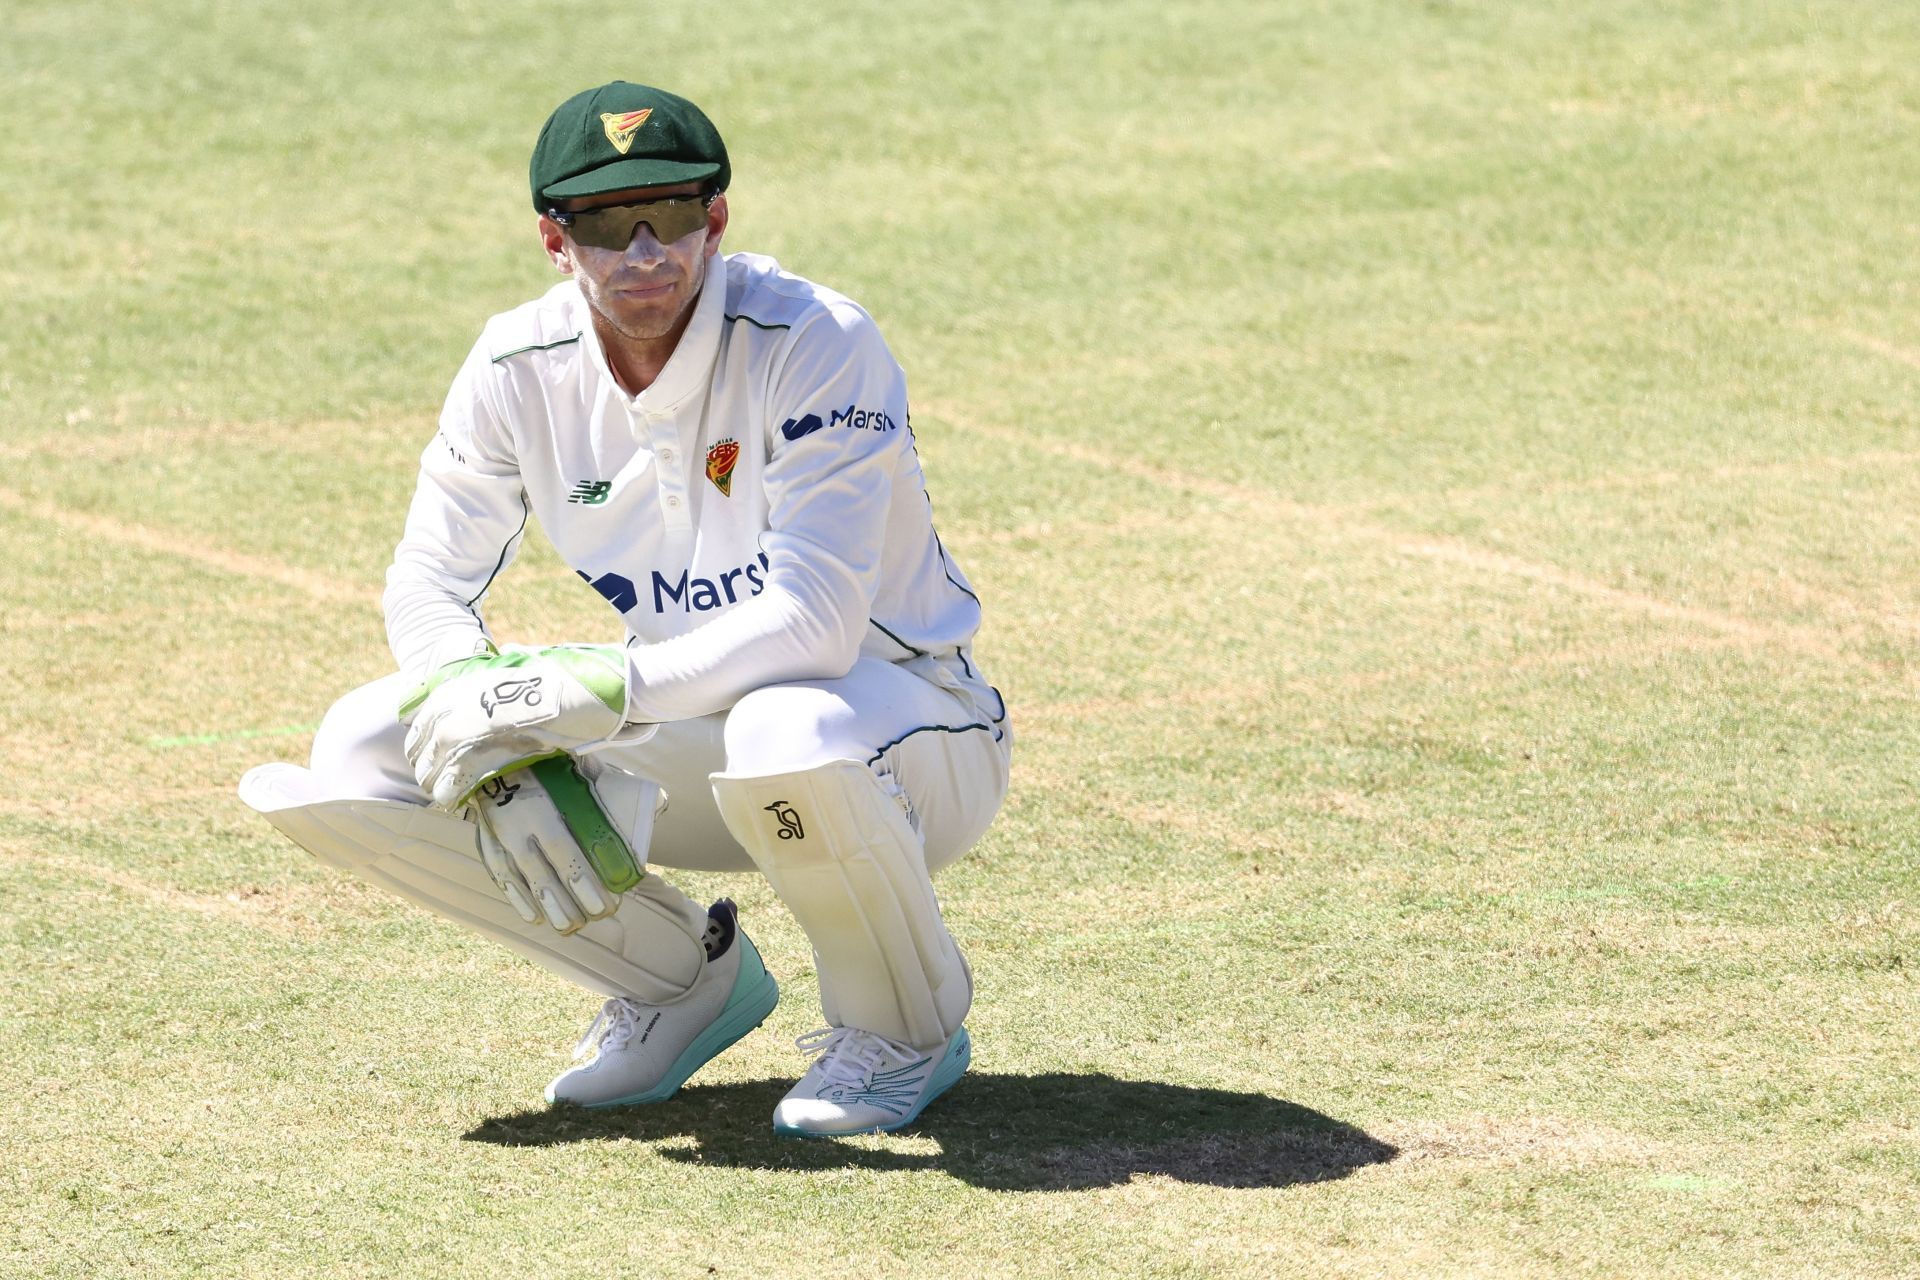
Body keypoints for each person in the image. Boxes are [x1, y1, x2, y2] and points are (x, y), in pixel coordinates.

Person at [238, 81, 1010, 1138]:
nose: (647, 251)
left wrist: (590, 688)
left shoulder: (818, 338)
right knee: (369, 744)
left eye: (676, 214)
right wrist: (493, 734)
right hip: (707, 738)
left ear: (719, 219)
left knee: (787, 718)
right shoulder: (515, 364)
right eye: (607, 223)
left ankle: (903, 1027)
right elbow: (427, 584)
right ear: (555, 239)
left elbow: (817, 624)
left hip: (910, 733)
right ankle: (677, 977)